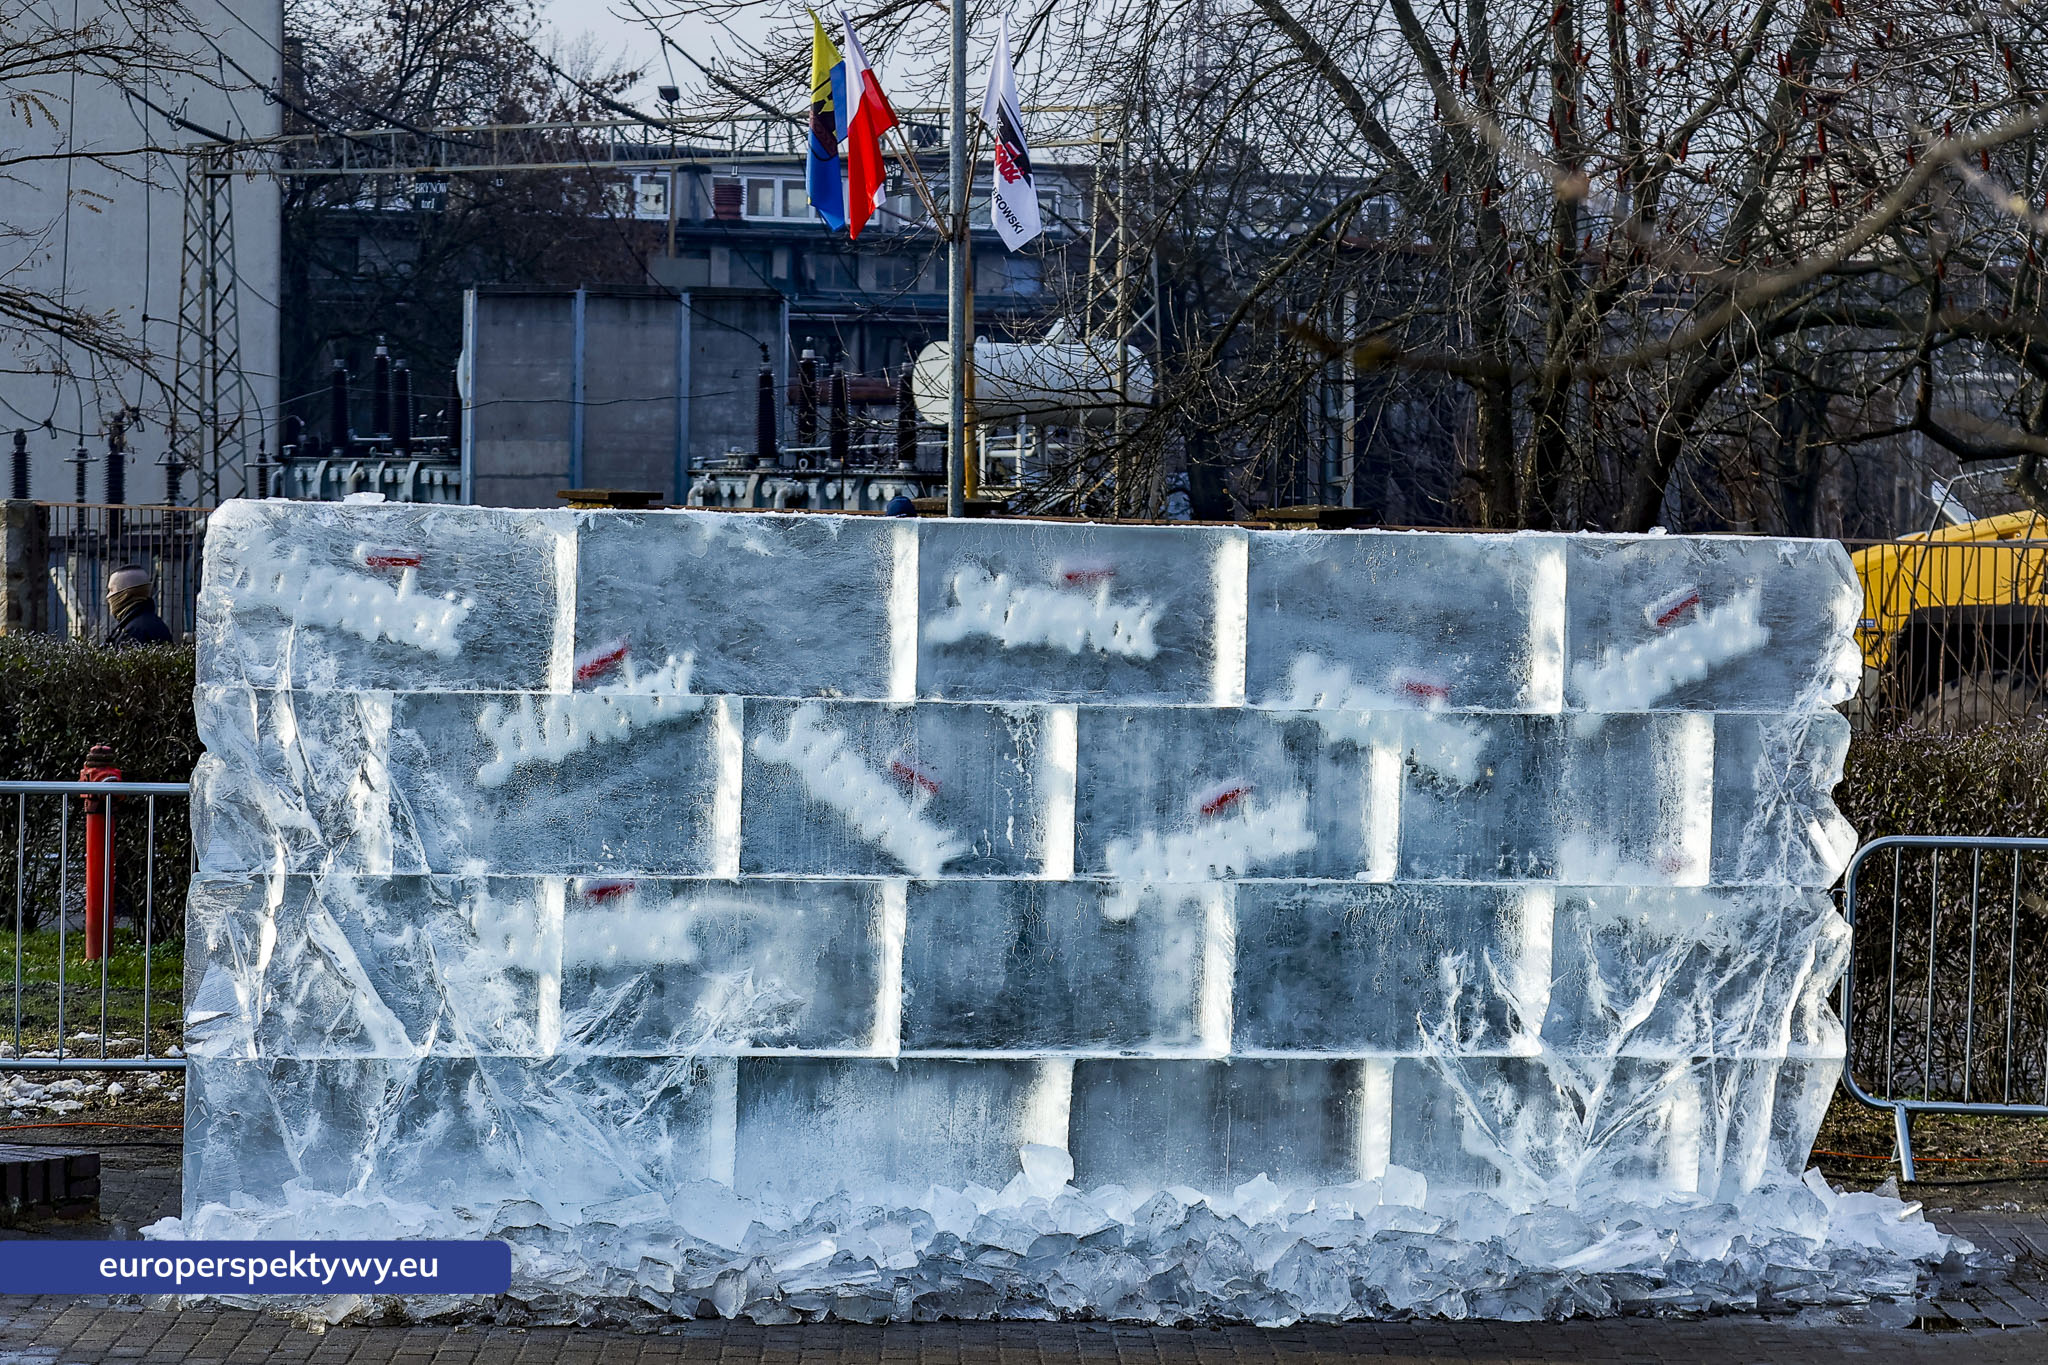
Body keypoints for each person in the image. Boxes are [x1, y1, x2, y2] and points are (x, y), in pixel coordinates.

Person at [103, 565, 174, 648]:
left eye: (111, 590)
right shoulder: (157, 624)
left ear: (126, 594)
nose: (107, 597)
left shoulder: (132, 632)